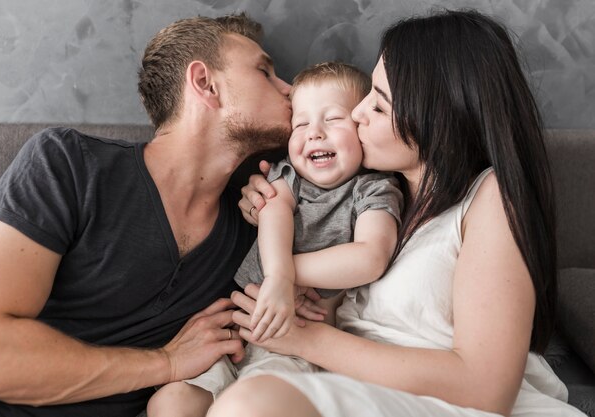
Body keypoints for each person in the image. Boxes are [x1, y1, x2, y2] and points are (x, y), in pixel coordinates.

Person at [209, 9, 588, 417]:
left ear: (436, 118)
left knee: (251, 405)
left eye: (378, 104)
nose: (357, 113)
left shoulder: (490, 197)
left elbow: (486, 388)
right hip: (359, 391)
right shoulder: (373, 197)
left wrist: (303, 334)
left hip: (452, 405)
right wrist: (270, 207)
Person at [0, 13, 293, 417]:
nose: (290, 89)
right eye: (265, 72)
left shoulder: (255, 228)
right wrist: (167, 362)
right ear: (206, 84)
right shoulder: (68, 164)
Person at [146, 62, 402, 417]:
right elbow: (275, 212)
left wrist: (283, 278)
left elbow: (371, 257)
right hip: (236, 333)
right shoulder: (286, 175)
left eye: (333, 119)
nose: (314, 133)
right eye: (301, 124)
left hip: (294, 347)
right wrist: (278, 279)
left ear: (361, 127)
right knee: (170, 402)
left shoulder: (374, 189)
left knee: (250, 405)